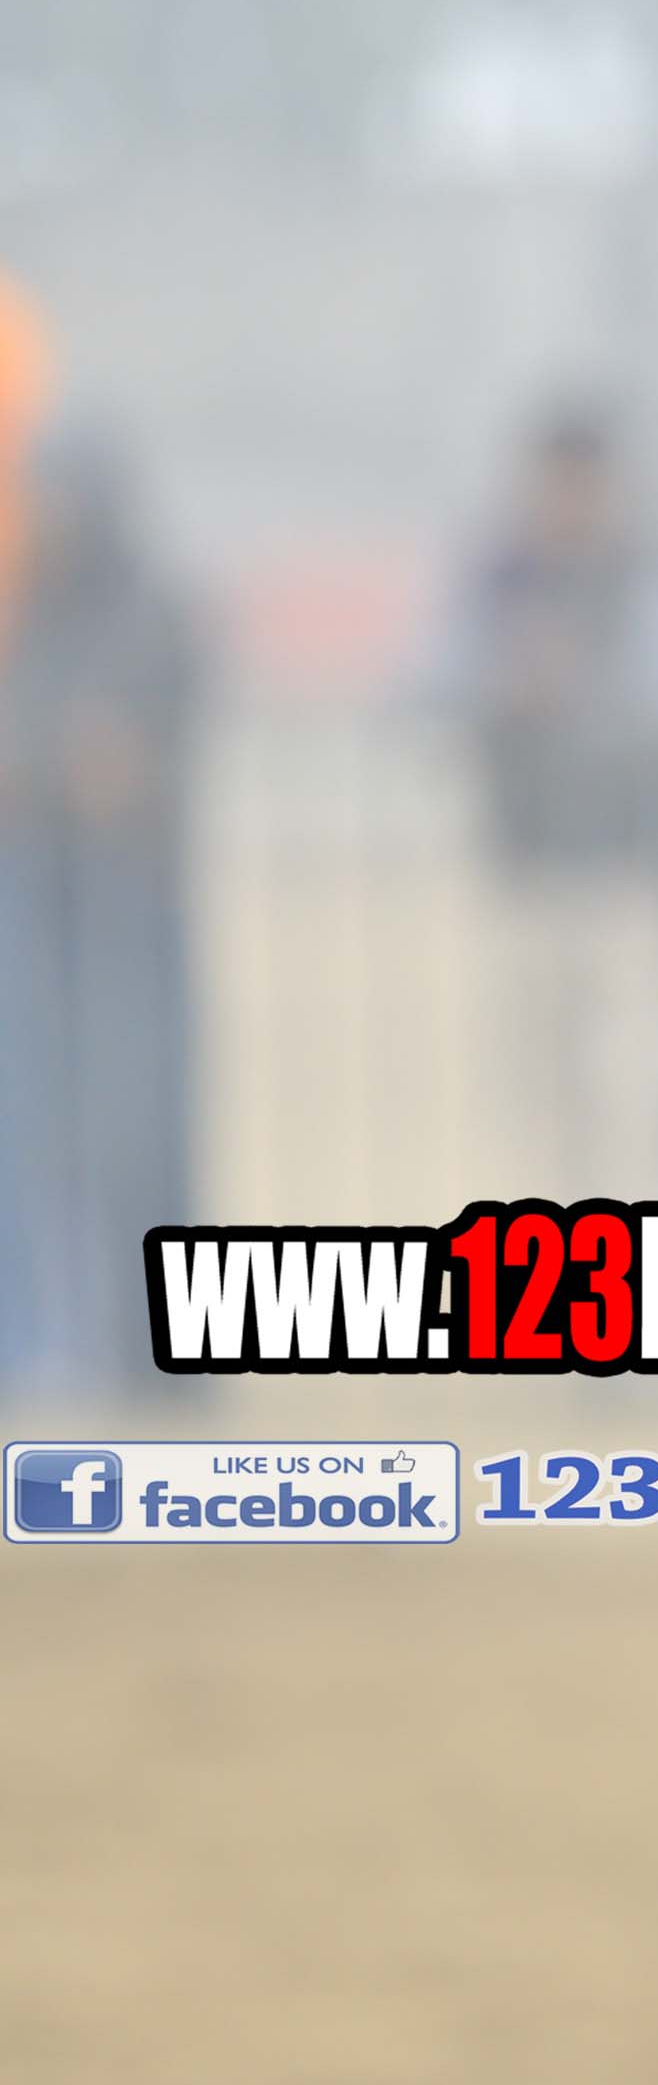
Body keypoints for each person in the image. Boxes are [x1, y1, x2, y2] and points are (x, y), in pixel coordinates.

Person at [431, 393, 658, 1193]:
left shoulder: (651, 580)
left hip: (627, 872)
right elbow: (433, 683)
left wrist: (586, 691)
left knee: (627, 1096)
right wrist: (510, 685)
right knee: (531, 1094)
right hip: (528, 868)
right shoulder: (498, 581)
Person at [0, 419, 201, 1386]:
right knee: (36, 1130)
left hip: (130, 911)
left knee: (137, 1132)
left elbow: (123, 765)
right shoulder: (30, 615)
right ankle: (50, 1340)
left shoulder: (151, 611)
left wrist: (69, 769)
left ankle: (153, 1353)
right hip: (39, 907)